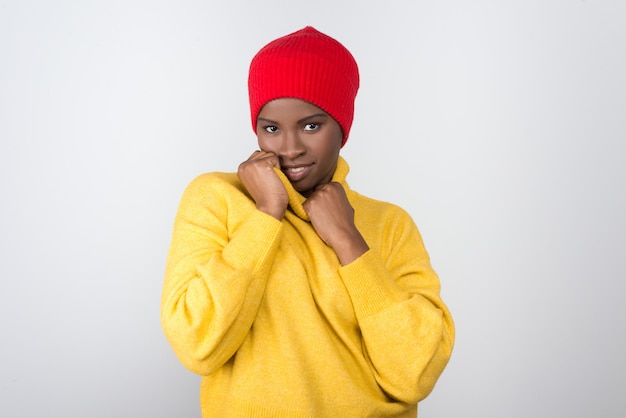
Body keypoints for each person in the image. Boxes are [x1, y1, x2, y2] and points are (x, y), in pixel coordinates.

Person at [161, 26, 454, 417]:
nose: (290, 148)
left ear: (342, 128)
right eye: (271, 128)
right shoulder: (218, 198)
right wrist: (266, 215)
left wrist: (349, 240)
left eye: (311, 126)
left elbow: (414, 373)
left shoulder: (388, 224)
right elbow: (196, 343)